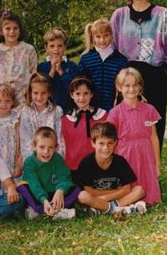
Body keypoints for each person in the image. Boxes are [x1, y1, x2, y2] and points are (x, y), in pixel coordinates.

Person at [110, 0, 167, 150]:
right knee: (126, 127)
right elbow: (113, 48)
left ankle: (153, 173)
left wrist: (161, 71)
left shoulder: (162, 15)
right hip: (127, 79)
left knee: (154, 127)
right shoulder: (119, 16)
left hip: (155, 77)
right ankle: (127, 173)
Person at [108, 68, 161, 204]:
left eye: (135, 85)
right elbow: (111, 141)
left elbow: (153, 137)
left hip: (146, 154)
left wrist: (157, 164)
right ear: (119, 87)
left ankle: (147, 199)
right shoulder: (115, 113)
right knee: (128, 184)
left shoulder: (149, 110)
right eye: (127, 85)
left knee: (150, 196)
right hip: (125, 154)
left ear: (140, 87)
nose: (131, 89)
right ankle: (128, 201)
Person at [75, 122, 147, 216]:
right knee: (83, 196)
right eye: (101, 143)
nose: (105, 148)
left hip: (114, 198)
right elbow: (89, 191)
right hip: (99, 198)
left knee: (139, 190)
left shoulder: (120, 161)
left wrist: (106, 198)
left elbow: (127, 189)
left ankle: (101, 210)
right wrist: (112, 194)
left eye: (110, 143)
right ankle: (122, 209)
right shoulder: (86, 162)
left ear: (115, 143)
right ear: (93, 143)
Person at [17, 127, 79, 220]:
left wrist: (60, 190)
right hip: (38, 196)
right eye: (42, 147)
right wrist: (44, 200)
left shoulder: (58, 159)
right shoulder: (29, 162)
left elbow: (64, 177)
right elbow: (34, 184)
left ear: (56, 147)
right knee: (21, 187)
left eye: (51, 147)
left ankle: (41, 213)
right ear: (34, 145)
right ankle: (53, 211)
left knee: (76, 189)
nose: (46, 152)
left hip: (55, 195)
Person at [0, 10, 38, 108]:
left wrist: (32, 98)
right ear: (0, 30)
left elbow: (34, 76)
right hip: (3, 104)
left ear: (20, 30)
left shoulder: (28, 50)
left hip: (24, 102)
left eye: (15, 28)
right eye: (8, 28)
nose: (12, 32)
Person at [78, 18, 127, 111]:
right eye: (98, 36)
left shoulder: (120, 60)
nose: (102, 39)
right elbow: (80, 85)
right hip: (90, 109)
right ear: (93, 37)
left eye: (106, 35)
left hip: (114, 109)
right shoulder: (86, 59)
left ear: (111, 35)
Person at [61, 77, 107, 176]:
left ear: (91, 94)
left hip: (99, 166)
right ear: (71, 95)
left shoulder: (103, 116)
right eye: (77, 93)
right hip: (73, 167)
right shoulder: (66, 119)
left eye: (86, 93)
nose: (82, 98)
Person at [20, 73, 63, 161]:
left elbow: (60, 138)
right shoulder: (26, 111)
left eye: (43, 93)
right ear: (30, 93)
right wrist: (34, 161)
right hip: (33, 161)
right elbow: (25, 140)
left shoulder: (57, 111)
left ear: (49, 93)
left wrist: (57, 160)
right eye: (35, 93)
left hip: (53, 159)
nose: (39, 97)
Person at [0, 83, 22, 179]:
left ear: (12, 102)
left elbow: (22, 147)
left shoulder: (17, 121)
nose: (3, 104)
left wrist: (19, 166)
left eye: (7, 101)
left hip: (14, 168)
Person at [37, 27, 77, 112]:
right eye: (52, 46)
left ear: (65, 47)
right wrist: (52, 70)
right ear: (46, 47)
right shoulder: (41, 67)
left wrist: (61, 72)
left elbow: (74, 88)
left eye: (60, 46)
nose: (56, 49)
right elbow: (42, 88)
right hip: (48, 110)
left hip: (68, 109)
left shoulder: (71, 66)